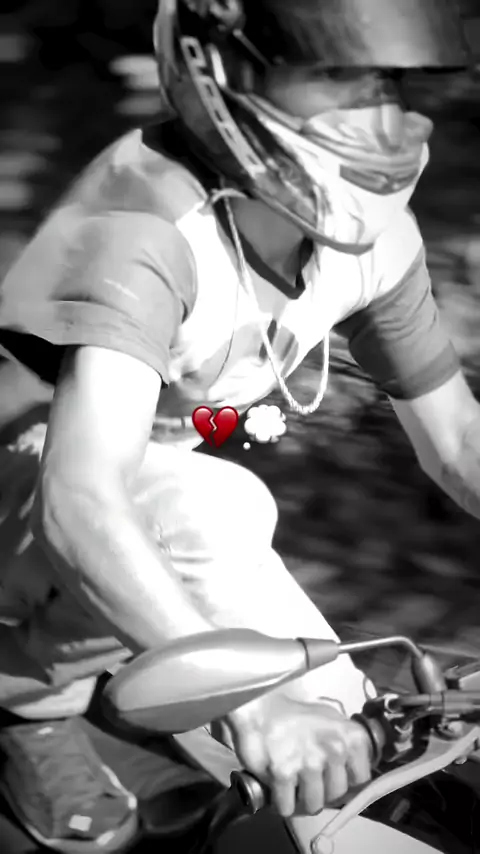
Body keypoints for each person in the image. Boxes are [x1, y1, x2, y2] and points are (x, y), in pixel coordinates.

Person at [0, 0, 478, 850]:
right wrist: (258, 708)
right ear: (224, 73)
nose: (377, 112)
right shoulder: (146, 230)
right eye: (334, 73)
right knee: (215, 507)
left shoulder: (369, 237)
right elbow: (81, 500)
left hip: (128, 484)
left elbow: (459, 445)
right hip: (31, 473)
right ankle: (24, 704)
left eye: (386, 79)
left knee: (209, 519)